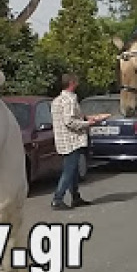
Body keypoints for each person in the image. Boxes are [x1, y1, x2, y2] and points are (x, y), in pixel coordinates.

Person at [50, 73, 110, 210]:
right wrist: (88, 124)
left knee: (73, 170)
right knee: (69, 171)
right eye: (76, 81)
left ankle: (75, 197)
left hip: (62, 140)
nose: (78, 83)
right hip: (72, 140)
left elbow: (71, 118)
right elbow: (69, 121)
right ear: (72, 83)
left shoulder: (57, 100)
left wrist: (88, 118)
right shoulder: (70, 100)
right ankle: (57, 199)